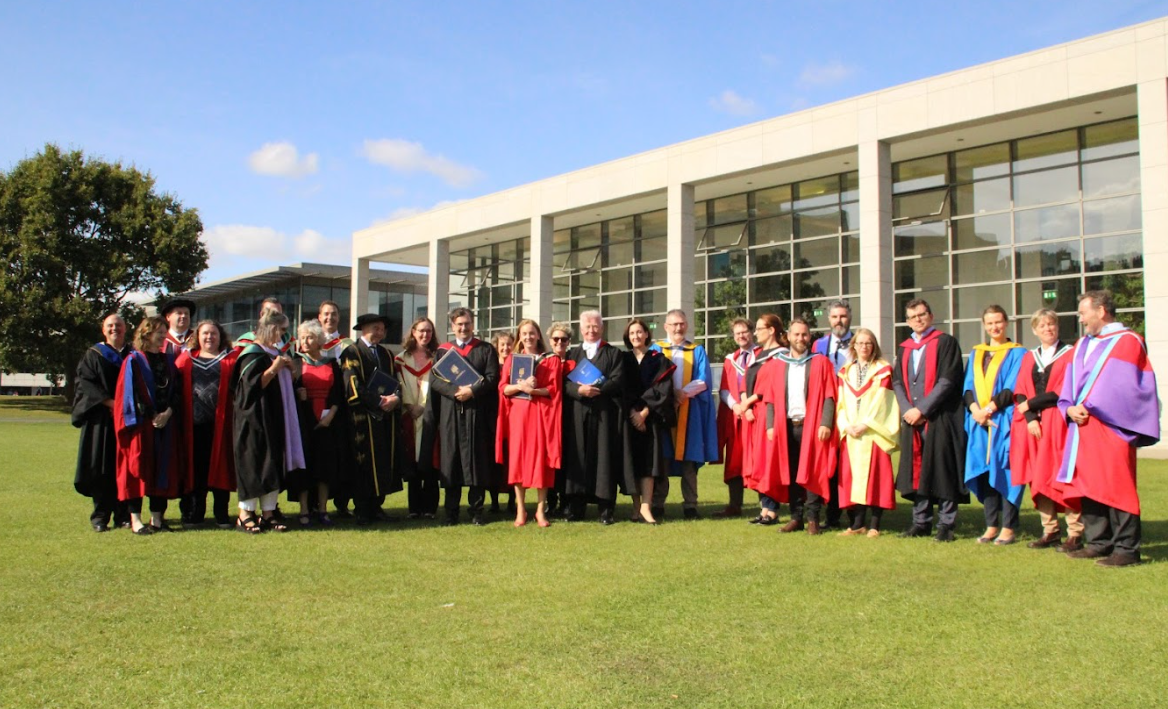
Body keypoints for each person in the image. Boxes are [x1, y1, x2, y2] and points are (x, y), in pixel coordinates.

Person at [1055, 290, 1159, 567]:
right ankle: (1098, 542)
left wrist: (1088, 405)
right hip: (1082, 426)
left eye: (1083, 313)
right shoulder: (1082, 344)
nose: (1080, 319)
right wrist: (1068, 407)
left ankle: (1126, 549)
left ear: (1101, 311)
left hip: (1112, 426)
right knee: (1088, 485)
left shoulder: (1128, 341)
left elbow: (1122, 386)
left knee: (1117, 485)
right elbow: (1069, 382)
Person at [892, 299, 968, 542]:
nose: (918, 319)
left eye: (922, 314)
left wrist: (922, 410)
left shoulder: (946, 343)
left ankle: (946, 524)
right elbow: (897, 382)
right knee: (917, 470)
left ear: (931, 316)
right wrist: (907, 410)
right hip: (912, 420)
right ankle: (920, 522)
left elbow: (948, 381)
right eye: (913, 316)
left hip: (940, 418)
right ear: (907, 321)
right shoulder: (904, 348)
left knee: (943, 470)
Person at [1009, 309, 1081, 550]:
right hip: (1034, 427)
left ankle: (1075, 532)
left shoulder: (1070, 354)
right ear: (1034, 330)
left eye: (1051, 324)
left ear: (1057, 326)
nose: (1048, 329)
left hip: (1059, 423)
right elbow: (1020, 391)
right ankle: (1050, 530)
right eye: (1042, 326)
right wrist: (1030, 418)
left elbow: (1065, 390)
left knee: (1063, 474)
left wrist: (1031, 405)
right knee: (1038, 476)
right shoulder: (1030, 357)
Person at [114, 316, 192, 534]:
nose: (163, 337)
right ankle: (136, 520)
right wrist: (152, 415)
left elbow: (177, 390)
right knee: (138, 470)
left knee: (162, 469)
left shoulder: (168, 362)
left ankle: (157, 519)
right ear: (146, 334)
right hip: (141, 426)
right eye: (159, 333)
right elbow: (130, 396)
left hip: (165, 424)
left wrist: (168, 413)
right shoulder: (133, 361)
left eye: (164, 333)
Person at [762, 317, 838, 535]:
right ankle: (796, 517)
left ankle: (813, 518)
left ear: (809, 336)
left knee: (812, 472)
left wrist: (826, 422)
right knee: (792, 472)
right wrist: (770, 425)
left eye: (804, 334)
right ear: (788, 336)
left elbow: (830, 396)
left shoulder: (821, 362)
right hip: (785, 426)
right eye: (796, 334)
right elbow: (770, 398)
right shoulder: (778, 364)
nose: (800, 338)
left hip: (812, 426)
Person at [232, 311, 304, 533]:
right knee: (253, 462)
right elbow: (250, 390)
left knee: (272, 462)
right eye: (282, 330)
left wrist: (290, 370)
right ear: (271, 328)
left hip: (274, 416)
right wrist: (274, 368)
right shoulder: (251, 354)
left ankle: (269, 513)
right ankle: (245, 514)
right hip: (253, 418)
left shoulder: (276, 352)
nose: (284, 334)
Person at [963, 305, 1026, 545]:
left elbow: (1012, 387)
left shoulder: (1017, 353)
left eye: (998, 322)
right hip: (979, 422)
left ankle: (1008, 527)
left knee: (1007, 471)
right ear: (984, 325)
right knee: (984, 471)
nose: (994, 327)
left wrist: (988, 410)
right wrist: (975, 411)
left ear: (1006, 323)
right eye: (989, 323)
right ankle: (991, 526)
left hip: (1004, 421)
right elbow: (967, 387)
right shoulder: (977, 353)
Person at [429, 308, 499, 526]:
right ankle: (451, 512)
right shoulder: (443, 352)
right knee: (451, 461)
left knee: (477, 461)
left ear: (472, 324)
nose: (463, 328)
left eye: (467, 323)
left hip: (476, 413)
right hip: (451, 413)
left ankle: (477, 511)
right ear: (453, 326)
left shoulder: (485, 349)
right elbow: (434, 380)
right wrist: (454, 391)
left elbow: (492, 377)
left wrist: (472, 391)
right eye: (459, 324)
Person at [650, 309, 718, 521]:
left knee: (690, 459)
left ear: (686, 325)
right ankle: (657, 503)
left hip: (690, 411)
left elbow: (703, 379)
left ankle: (690, 505)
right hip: (663, 411)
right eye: (674, 324)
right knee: (662, 459)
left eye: (681, 324)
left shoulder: (697, 350)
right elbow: (651, 378)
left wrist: (682, 394)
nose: (678, 328)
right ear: (666, 327)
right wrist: (671, 394)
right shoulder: (656, 350)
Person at [338, 313, 404, 525]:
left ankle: (377, 506)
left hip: (384, 418)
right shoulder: (352, 352)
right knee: (364, 463)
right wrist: (379, 401)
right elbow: (353, 385)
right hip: (362, 418)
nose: (380, 332)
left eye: (382, 329)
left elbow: (395, 381)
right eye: (376, 328)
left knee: (383, 461)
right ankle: (362, 509)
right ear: (364, 328)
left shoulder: (386, 353)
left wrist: (396, 398)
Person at [496, 319, 562, 527]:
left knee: (541, 461)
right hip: (518, 417)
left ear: (538, 335)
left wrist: (532, 390)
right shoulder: (513, 359)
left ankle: (540, 511)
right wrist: (520, 386)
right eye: (524, 333)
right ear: (519, 336)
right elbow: (503, 388)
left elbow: (553, 390)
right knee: (518, 461)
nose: (528, 337)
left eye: (532, 333)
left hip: (540, 416)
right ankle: (521, 510)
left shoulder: (551, 360)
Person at [562, 310, 625, 524]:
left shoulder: (613, 353)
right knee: (577, 458)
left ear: (602, 328)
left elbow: (617, 379)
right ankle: (575, 507)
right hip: (577, 414)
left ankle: (606, 509)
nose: (591, 330)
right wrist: (579, 391)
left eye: (595, 326)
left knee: (603, 459)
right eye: (587, 326)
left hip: (603, 413)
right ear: (581, 329)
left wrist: (595, 389)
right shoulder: (572, 354)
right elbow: (564, 382)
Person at [835, 329, 898, 537]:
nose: (864, 347)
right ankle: (857, 524)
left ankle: (875, 526)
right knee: (854, 480)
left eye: (868, 343)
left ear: (874, 346)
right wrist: (846, 425)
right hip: (852, 433)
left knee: (875, 479)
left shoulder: (883, 370)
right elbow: (841, 403)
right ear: (853, 346)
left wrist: (866, 423)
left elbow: (883, 401)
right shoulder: (845, 371)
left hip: (873, 433)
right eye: (860, 343)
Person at [71, 313, 132, 532]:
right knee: (101, 468)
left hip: (128, 420)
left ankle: (124, 515)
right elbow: (86, 384)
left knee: (126, 467)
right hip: (101, 420)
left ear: (125, 328)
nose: (115, 329)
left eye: (119, 325)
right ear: (103, 330)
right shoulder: (93, 354)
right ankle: (100, 516)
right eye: (110, 326)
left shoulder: (133, 354)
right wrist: (111, 403)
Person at [175, 320, 238, 529]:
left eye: (213, 333)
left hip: (221, 425)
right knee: (196, 470)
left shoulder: (231, 359)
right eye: (205, 333)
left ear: (220, 336)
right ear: (197, 337)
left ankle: (221, 514)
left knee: (222, 467)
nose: (209, 337)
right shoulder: (186, 360)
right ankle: (195, 513)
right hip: (193, 426)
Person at [621, 318, 675, 525]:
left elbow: (663, 389)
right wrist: (632, 412)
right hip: (628, 419)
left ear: (646, 334)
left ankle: (646, 506)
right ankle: (636, 506)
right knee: (632, 463)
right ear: (628, 337)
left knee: (649, 464)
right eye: (632, 333)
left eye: (639, 332)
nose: (636, 336)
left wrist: (643, 413)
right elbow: (620, 389)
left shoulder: (658, 359)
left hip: (650, 419)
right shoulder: (623, 359)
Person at [292, 319, 343, 527]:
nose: (305, 341)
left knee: (324, 467)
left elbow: (338, 393)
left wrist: (330, 416)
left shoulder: (331, 363)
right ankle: (304, 509)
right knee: (304, 467)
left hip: (327, 421)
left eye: (310, 337)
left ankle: (322, 509)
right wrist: (298, 395)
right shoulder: (296, 363)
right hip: (303, 421)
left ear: (319, 340)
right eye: (302, 337)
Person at [812, 300, 854, 529]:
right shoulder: (818, 345)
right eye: (835, 317)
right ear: (829, 319)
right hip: (825, 409)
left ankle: (855, 514)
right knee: (827, 462)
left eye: (843, 316)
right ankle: (831, 513)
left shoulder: (860, 342)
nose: (839, 321)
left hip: (852, 409)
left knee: (850, 463)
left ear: (850, 317)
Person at [741, 314, 786, 525]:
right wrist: (746, 405)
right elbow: (746, 382)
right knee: (757, 463)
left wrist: (749, 402)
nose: (756, 332)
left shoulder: (781, 355)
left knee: (768, 461)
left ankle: (772, 510)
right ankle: (764, 508)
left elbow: (771, 386)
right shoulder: (758, 355)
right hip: (753, 416)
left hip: (768, 414)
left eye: (759, 329)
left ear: (771, 330)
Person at [715, 318, 760, 518]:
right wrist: (735, 406)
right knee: (735, 461)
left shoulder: (762, 356)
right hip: (736, 418)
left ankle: (766, 506)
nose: (741, 336)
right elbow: (724, 389)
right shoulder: (730, 360)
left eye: (744, 332)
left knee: (759, 459)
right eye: (737, 333)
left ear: (752, 332)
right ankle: (734, 505)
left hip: (756, 416)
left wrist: (747, 405)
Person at [396, 317, 440, 519]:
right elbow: (399, 383)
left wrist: (423, 406)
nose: (425, 334)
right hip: (408, 415)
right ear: (413, 332)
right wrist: (409, 405)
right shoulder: (401, 359)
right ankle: (414, 508)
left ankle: (430, 508)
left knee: (430, 460)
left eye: (429, 331)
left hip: (430, 414)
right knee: (412, 462)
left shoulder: (437, 358)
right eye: (421, 330)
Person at [546, 321, 574, 519]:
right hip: (549, 417)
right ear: (550, 341)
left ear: (569, 341)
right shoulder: (545, 362)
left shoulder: (574, 363)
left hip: (570, 417)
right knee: (550, 461)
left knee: (567, 461)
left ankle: (566, 502)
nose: (559, 342)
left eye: (564, 339)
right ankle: (550, 502)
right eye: (556, 339)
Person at [488, 331, 517, 516]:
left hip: (513, 417)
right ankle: (494, 502)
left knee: (511, 459)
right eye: (502, 344)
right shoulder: (491, 367)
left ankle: (512, 501)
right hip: (494, 417)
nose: (506, 348)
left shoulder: (518, 365)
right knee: (494, 461)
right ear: (496, 347)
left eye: (509, 344)